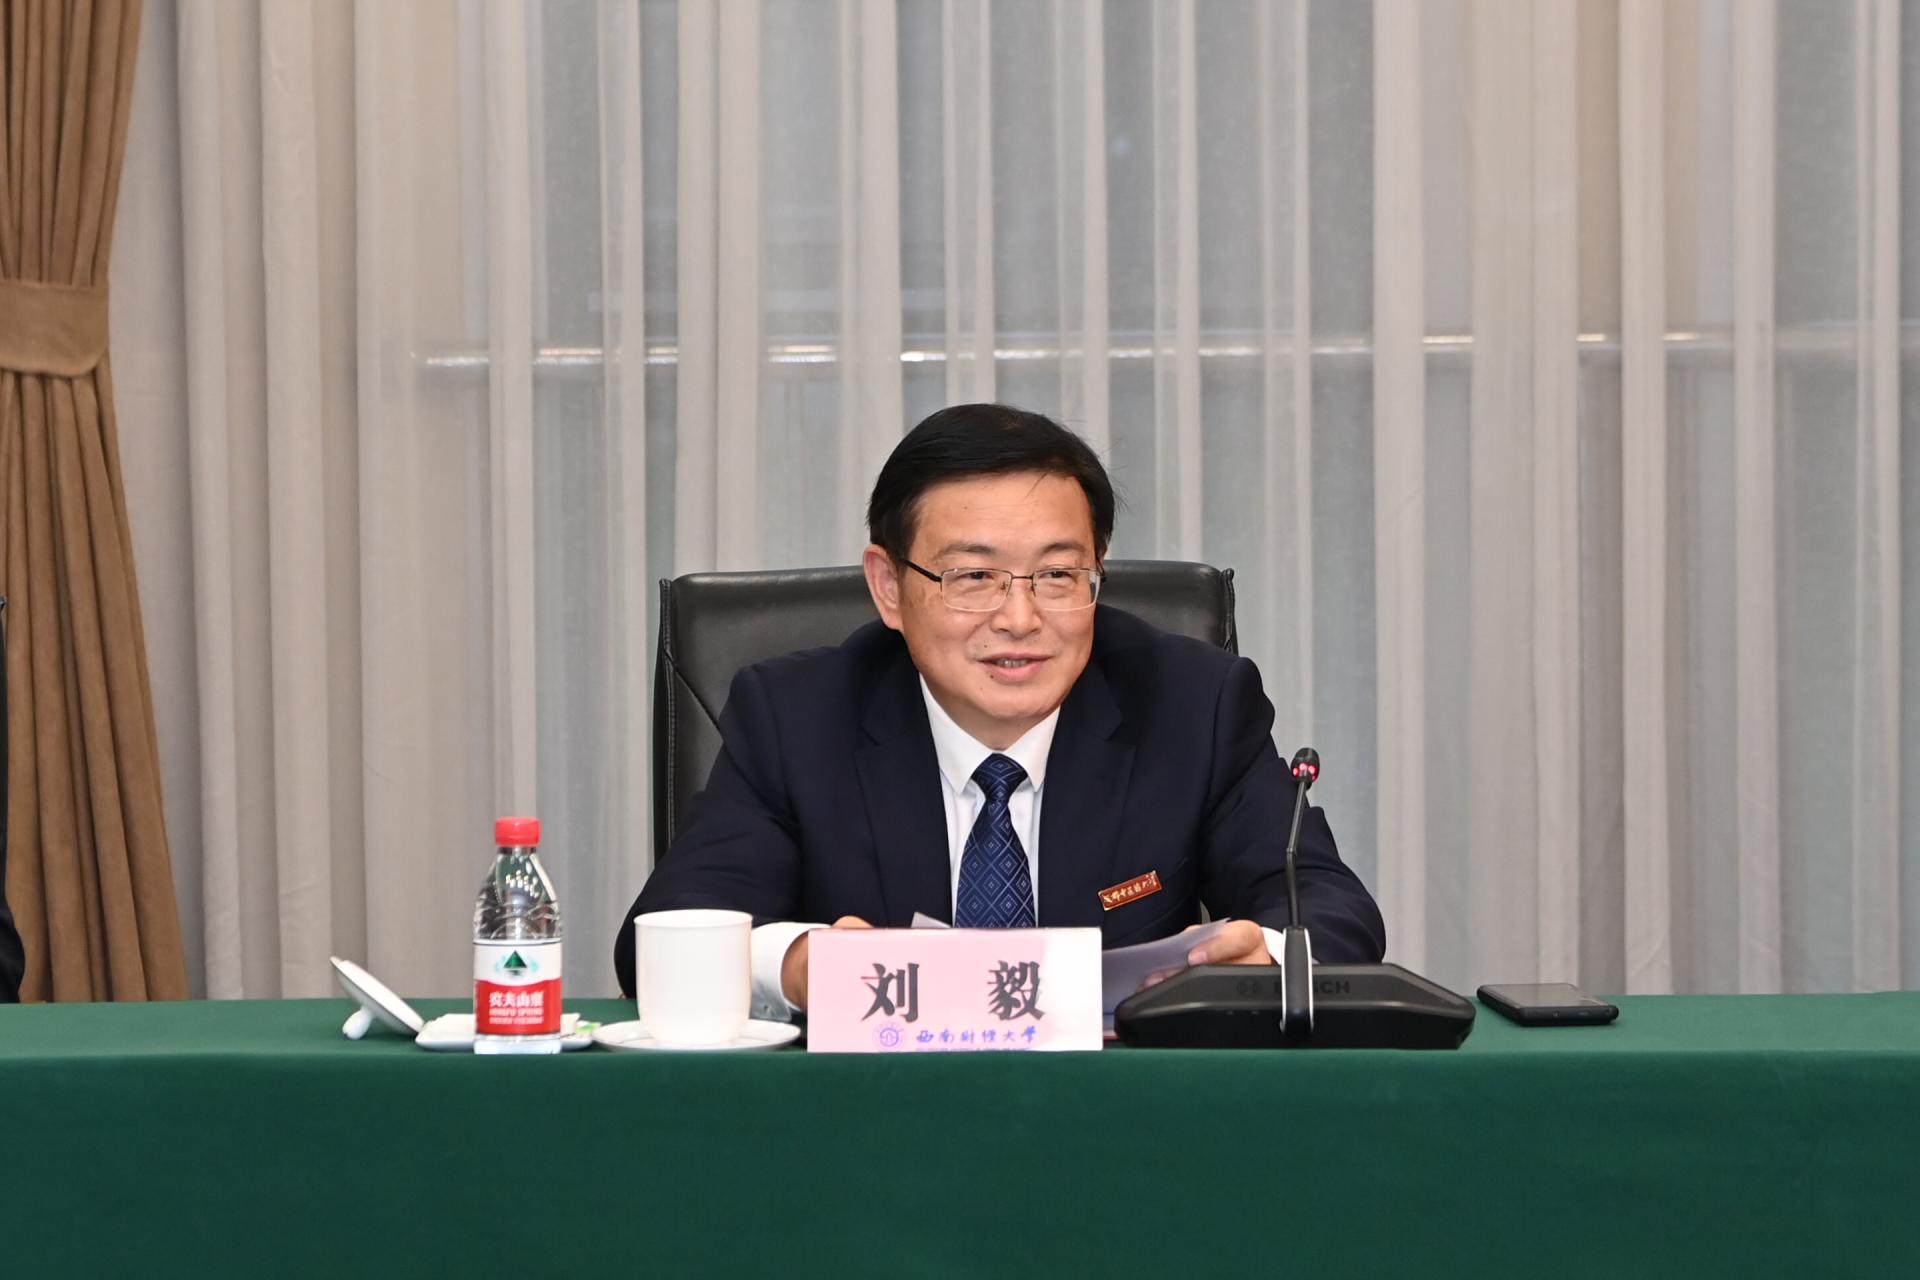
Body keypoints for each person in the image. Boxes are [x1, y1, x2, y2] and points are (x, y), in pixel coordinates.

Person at [614, 403, 1385, 1012]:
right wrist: (797, 963)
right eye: (974, 578)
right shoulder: (796, 717)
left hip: (1124, 1119)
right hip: (872, 1122)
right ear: (889, 587)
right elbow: (660, 942)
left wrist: (1266, 958)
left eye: (1058, 575)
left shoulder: (1194, 705)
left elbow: (1331, 910)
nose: (1021, 619)